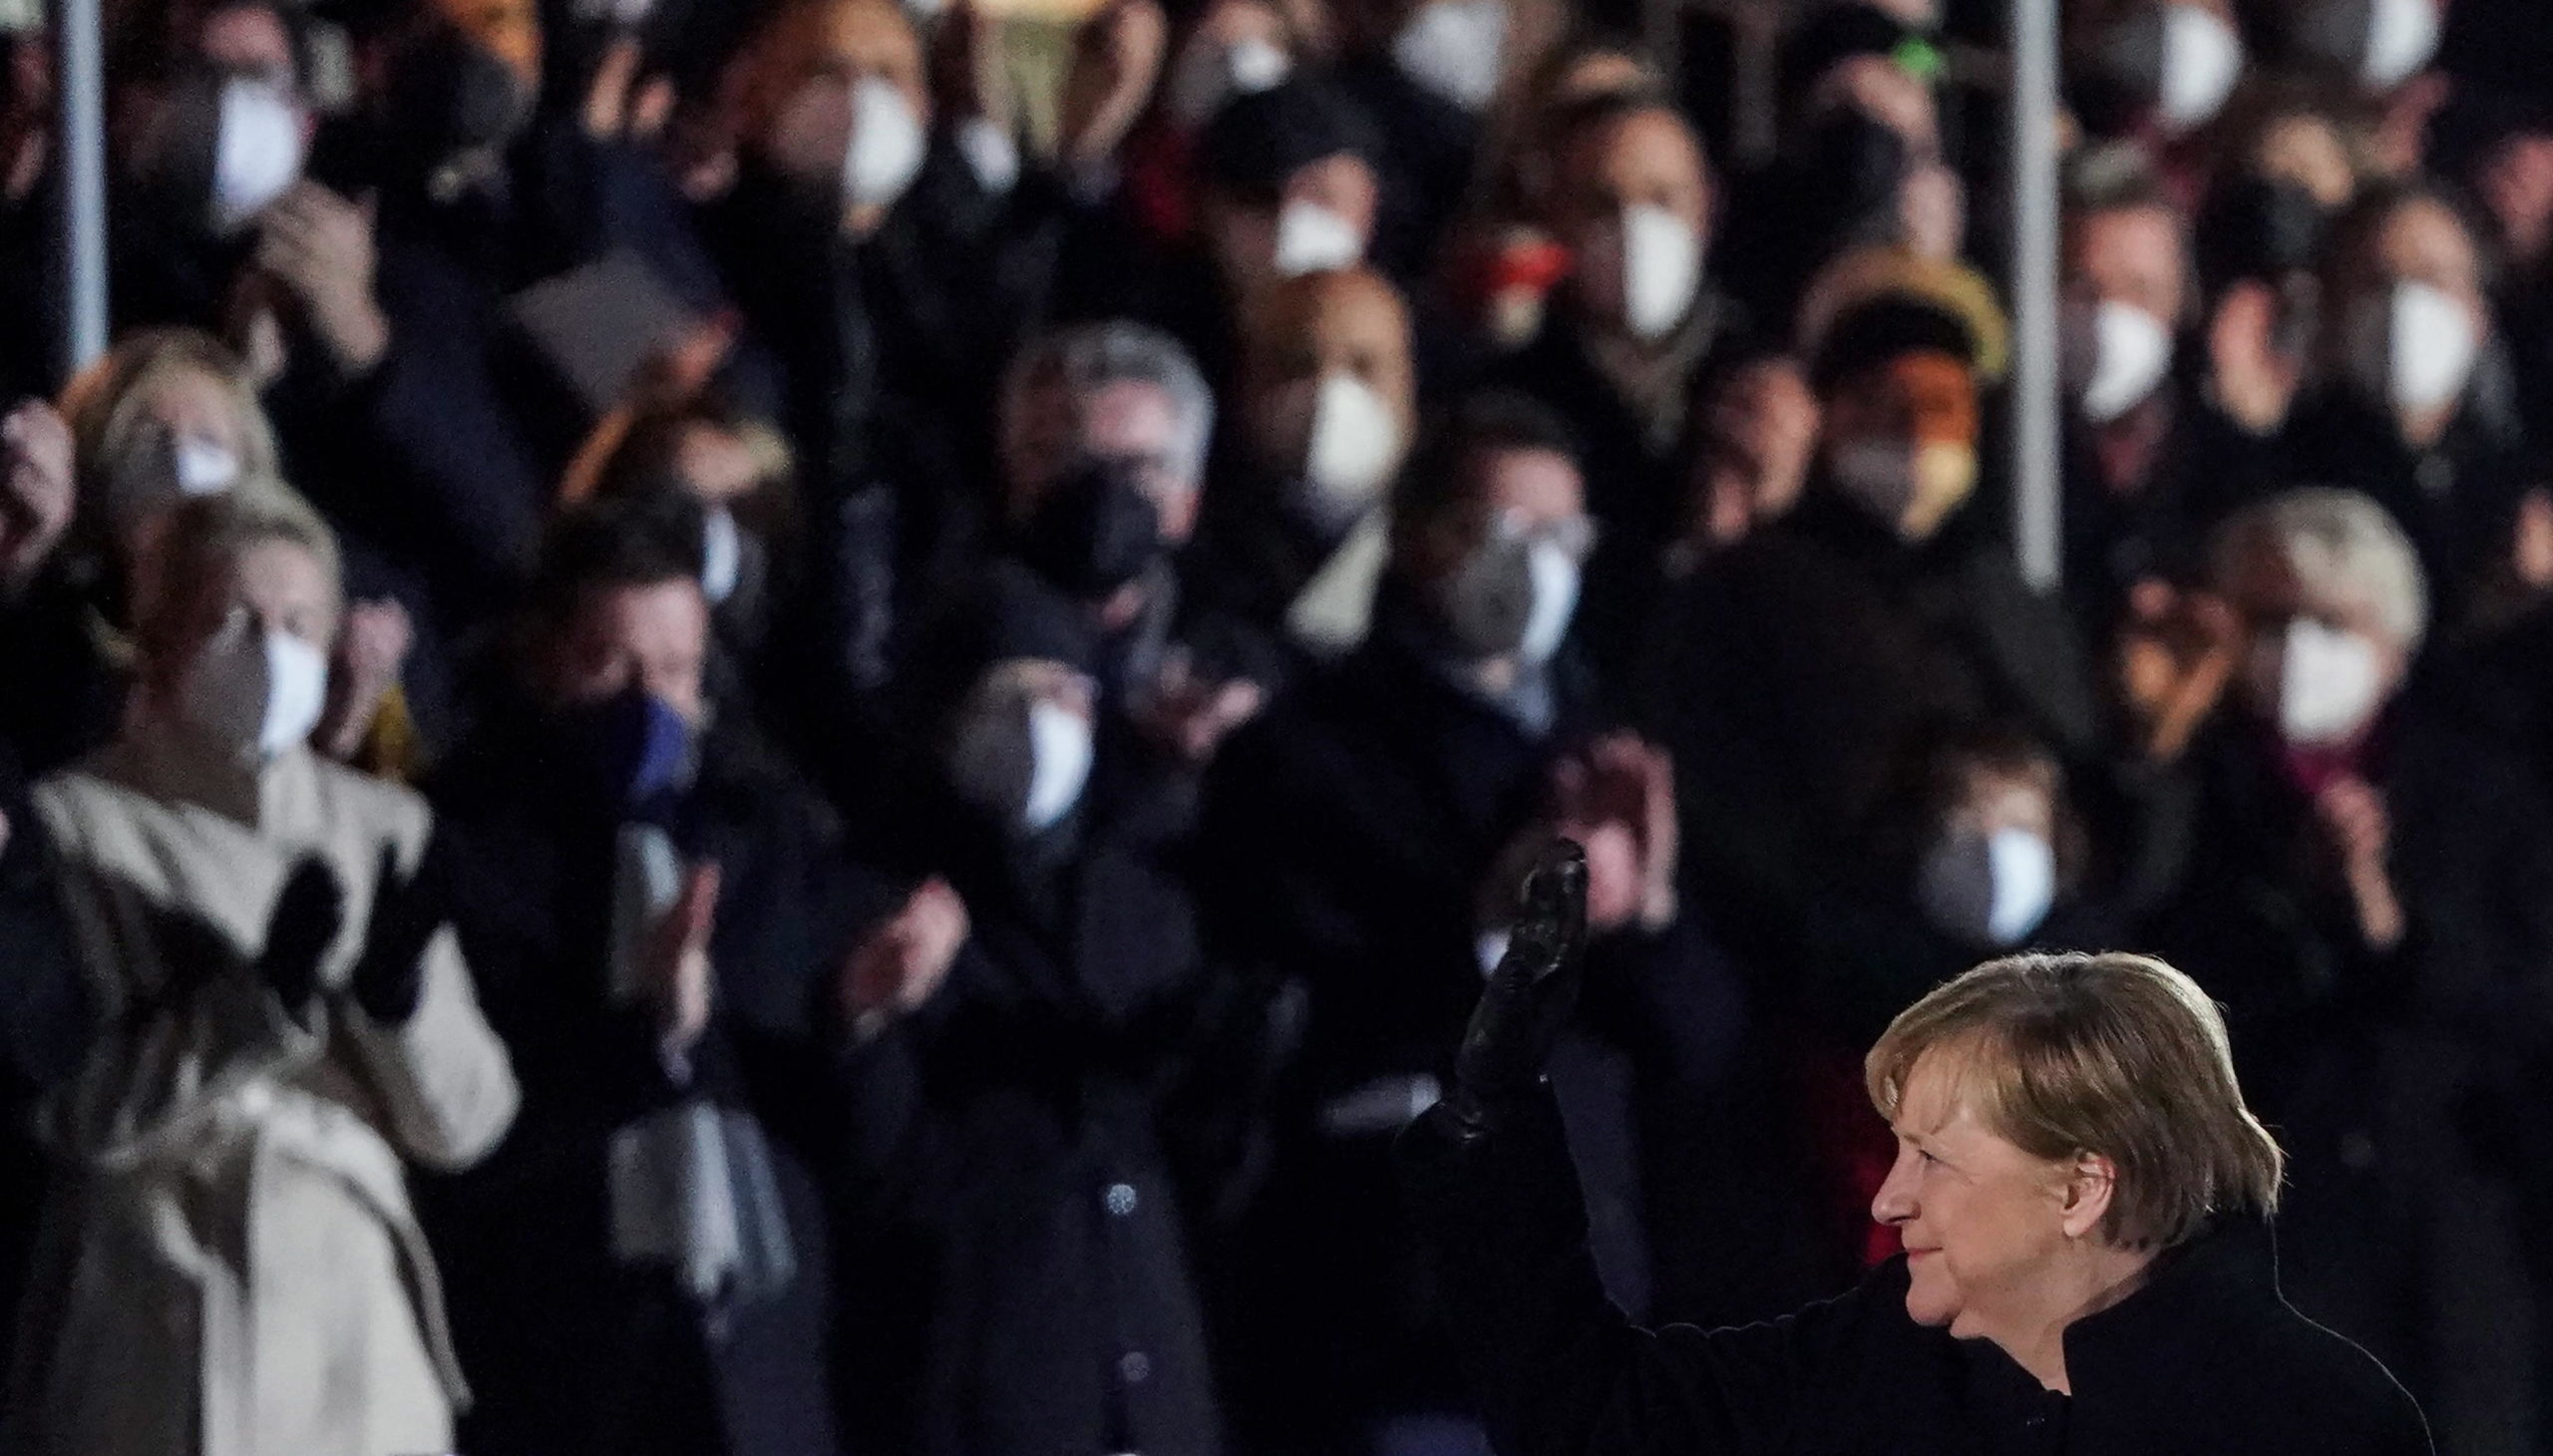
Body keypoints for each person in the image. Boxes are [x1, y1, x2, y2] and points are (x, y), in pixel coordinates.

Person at [1400, 843, 2434, 1456]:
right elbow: (1599, 1422)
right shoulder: (1882, 1359)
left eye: (1933, 1157)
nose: (1888, 1200)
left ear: (2081, 1187)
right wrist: (1495, 1124)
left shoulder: (2316, 1424)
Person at [1201, 392, 1775, 1455]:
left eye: (1560, 535)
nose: (1532, 564)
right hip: (1397, 1315)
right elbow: (1295, 1011)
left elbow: (1699, 1043)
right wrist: (1484, 932)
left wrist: (1647, 913)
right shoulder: (1309, 753)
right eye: (1496, 528)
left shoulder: (1595, 749)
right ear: (1415, 537)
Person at [5, 491, 519, 1456]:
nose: (268, 650)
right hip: (164, 1298)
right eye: (234, 619)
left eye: (296, 624)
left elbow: (468, 1120)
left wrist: (397, 1001)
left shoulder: (383, 825)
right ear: (162, 637)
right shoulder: (79, 820)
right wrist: (256, 1004)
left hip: (356, 1322)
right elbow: (81, 1104)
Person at [422, 496, 899, 1456]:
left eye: (675, 670)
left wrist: (856, 1015)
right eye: (613, 665)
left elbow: (829, 1121)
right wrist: (638, 1036)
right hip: (561, 1354)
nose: (648, 702)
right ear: (544, 659)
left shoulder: (765, 836)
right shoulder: (467, 846)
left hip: (754, 1366)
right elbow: (460, 1122)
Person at [2142, 488, 2553, 1416]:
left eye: (2332, 624)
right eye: (2270, 621)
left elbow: (2524, 988)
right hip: (2264, 1211)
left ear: (2393, 646)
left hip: (2448, 1216)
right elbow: (2149, 965)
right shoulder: (2193, 780)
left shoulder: (2480, 782)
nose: (2298, 650)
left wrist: (2387, 922)